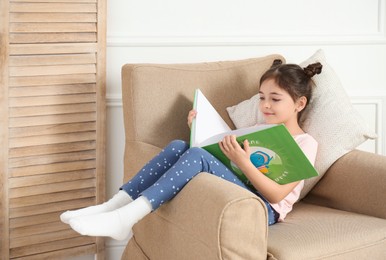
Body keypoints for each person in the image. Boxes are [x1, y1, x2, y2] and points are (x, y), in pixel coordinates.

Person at [60, 61, 322, 240]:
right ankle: (113, 206)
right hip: (240, 186)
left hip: (264, 208)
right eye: (262, 97)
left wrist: (244, 162)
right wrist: (199, 131)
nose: (265, 105)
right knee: (179, 146)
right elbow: (216, 154)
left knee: (197, 156)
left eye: (275, 99)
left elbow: (276, 195)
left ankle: (126, 218)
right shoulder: (256, 129)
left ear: (299, 103)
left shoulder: (305, 143)